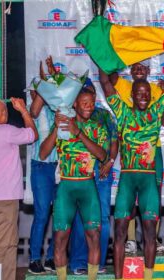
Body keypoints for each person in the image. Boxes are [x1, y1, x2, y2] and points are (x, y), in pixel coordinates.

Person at [107, 38, 164, 255]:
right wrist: (112, 49)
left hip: (152, 150)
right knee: (128, 197)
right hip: (130, 152)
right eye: (133, 65)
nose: (137, 69)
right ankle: (130, 240)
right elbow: (108, 78)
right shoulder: (124, 85)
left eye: (141, 66)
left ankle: (151, 238)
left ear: (147, 70)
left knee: (152, 194)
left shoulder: (156, 88)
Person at [40, 89, 108, 280]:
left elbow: (103, 156)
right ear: (75, 105)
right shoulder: (63, 127)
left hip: (88, 187)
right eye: (84, 103)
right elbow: (43, 154)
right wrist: (56, 128)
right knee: (60, 239)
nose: (89, 106)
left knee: (94, 236)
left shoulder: (97, 127)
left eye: (92, 103)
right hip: (66, 188)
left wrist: (78, 132)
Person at [0, 97, 38, 280]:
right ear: (3, 114)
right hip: (4, 196)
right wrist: (23, 110)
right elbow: (32, 135)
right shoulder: (5, 131)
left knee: (9, 243)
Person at [68, 81, 119, 275]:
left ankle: (99, 262)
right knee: (81, 218)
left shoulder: (105, 115)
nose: (89, 101)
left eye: (91, 94)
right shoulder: (71, 118)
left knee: (103, 218)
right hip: (82, 172)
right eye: (84, 96)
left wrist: (110, 162)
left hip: (103, 171)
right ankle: (79, 262)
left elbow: (114, 141)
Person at [28, 58, 58, 274]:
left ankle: (51, 258)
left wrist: (53, 74)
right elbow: (37, 106)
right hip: (41, 167)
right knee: (41, 215)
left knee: (60, 215)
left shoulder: (56, 107)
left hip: (59, 168)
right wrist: (44, 81)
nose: (36, 95)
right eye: (34, 91)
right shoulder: (32, 111)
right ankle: (34, 259)